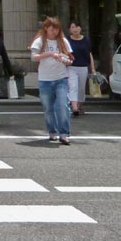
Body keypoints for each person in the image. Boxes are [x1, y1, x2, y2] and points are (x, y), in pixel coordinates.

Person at [31, 17, 74, 145]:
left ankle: (64, 133)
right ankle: (52, 131)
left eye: (56, 29)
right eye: (52, 29)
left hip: (61, 78)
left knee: (62, 105)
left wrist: (65, 60)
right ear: (45, 28)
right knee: (48, 107)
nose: (54, 31)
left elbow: (70, 59)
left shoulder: (63, 41)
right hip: (45, 79)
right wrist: (50, 54)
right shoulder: (40, 41)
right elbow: (34, 57)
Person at [67, 21, 95, 116]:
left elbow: (89, 54)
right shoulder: (67, 40)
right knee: (73, 86)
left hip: (83, 67)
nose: (75, 29)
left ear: (80, 28)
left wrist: (93, 68)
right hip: (71, 67)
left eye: (77, 27)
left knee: (81, 89)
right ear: (70, 29)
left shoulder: (86, 40)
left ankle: (79, 106)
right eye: (72, 27)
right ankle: (74, 107)